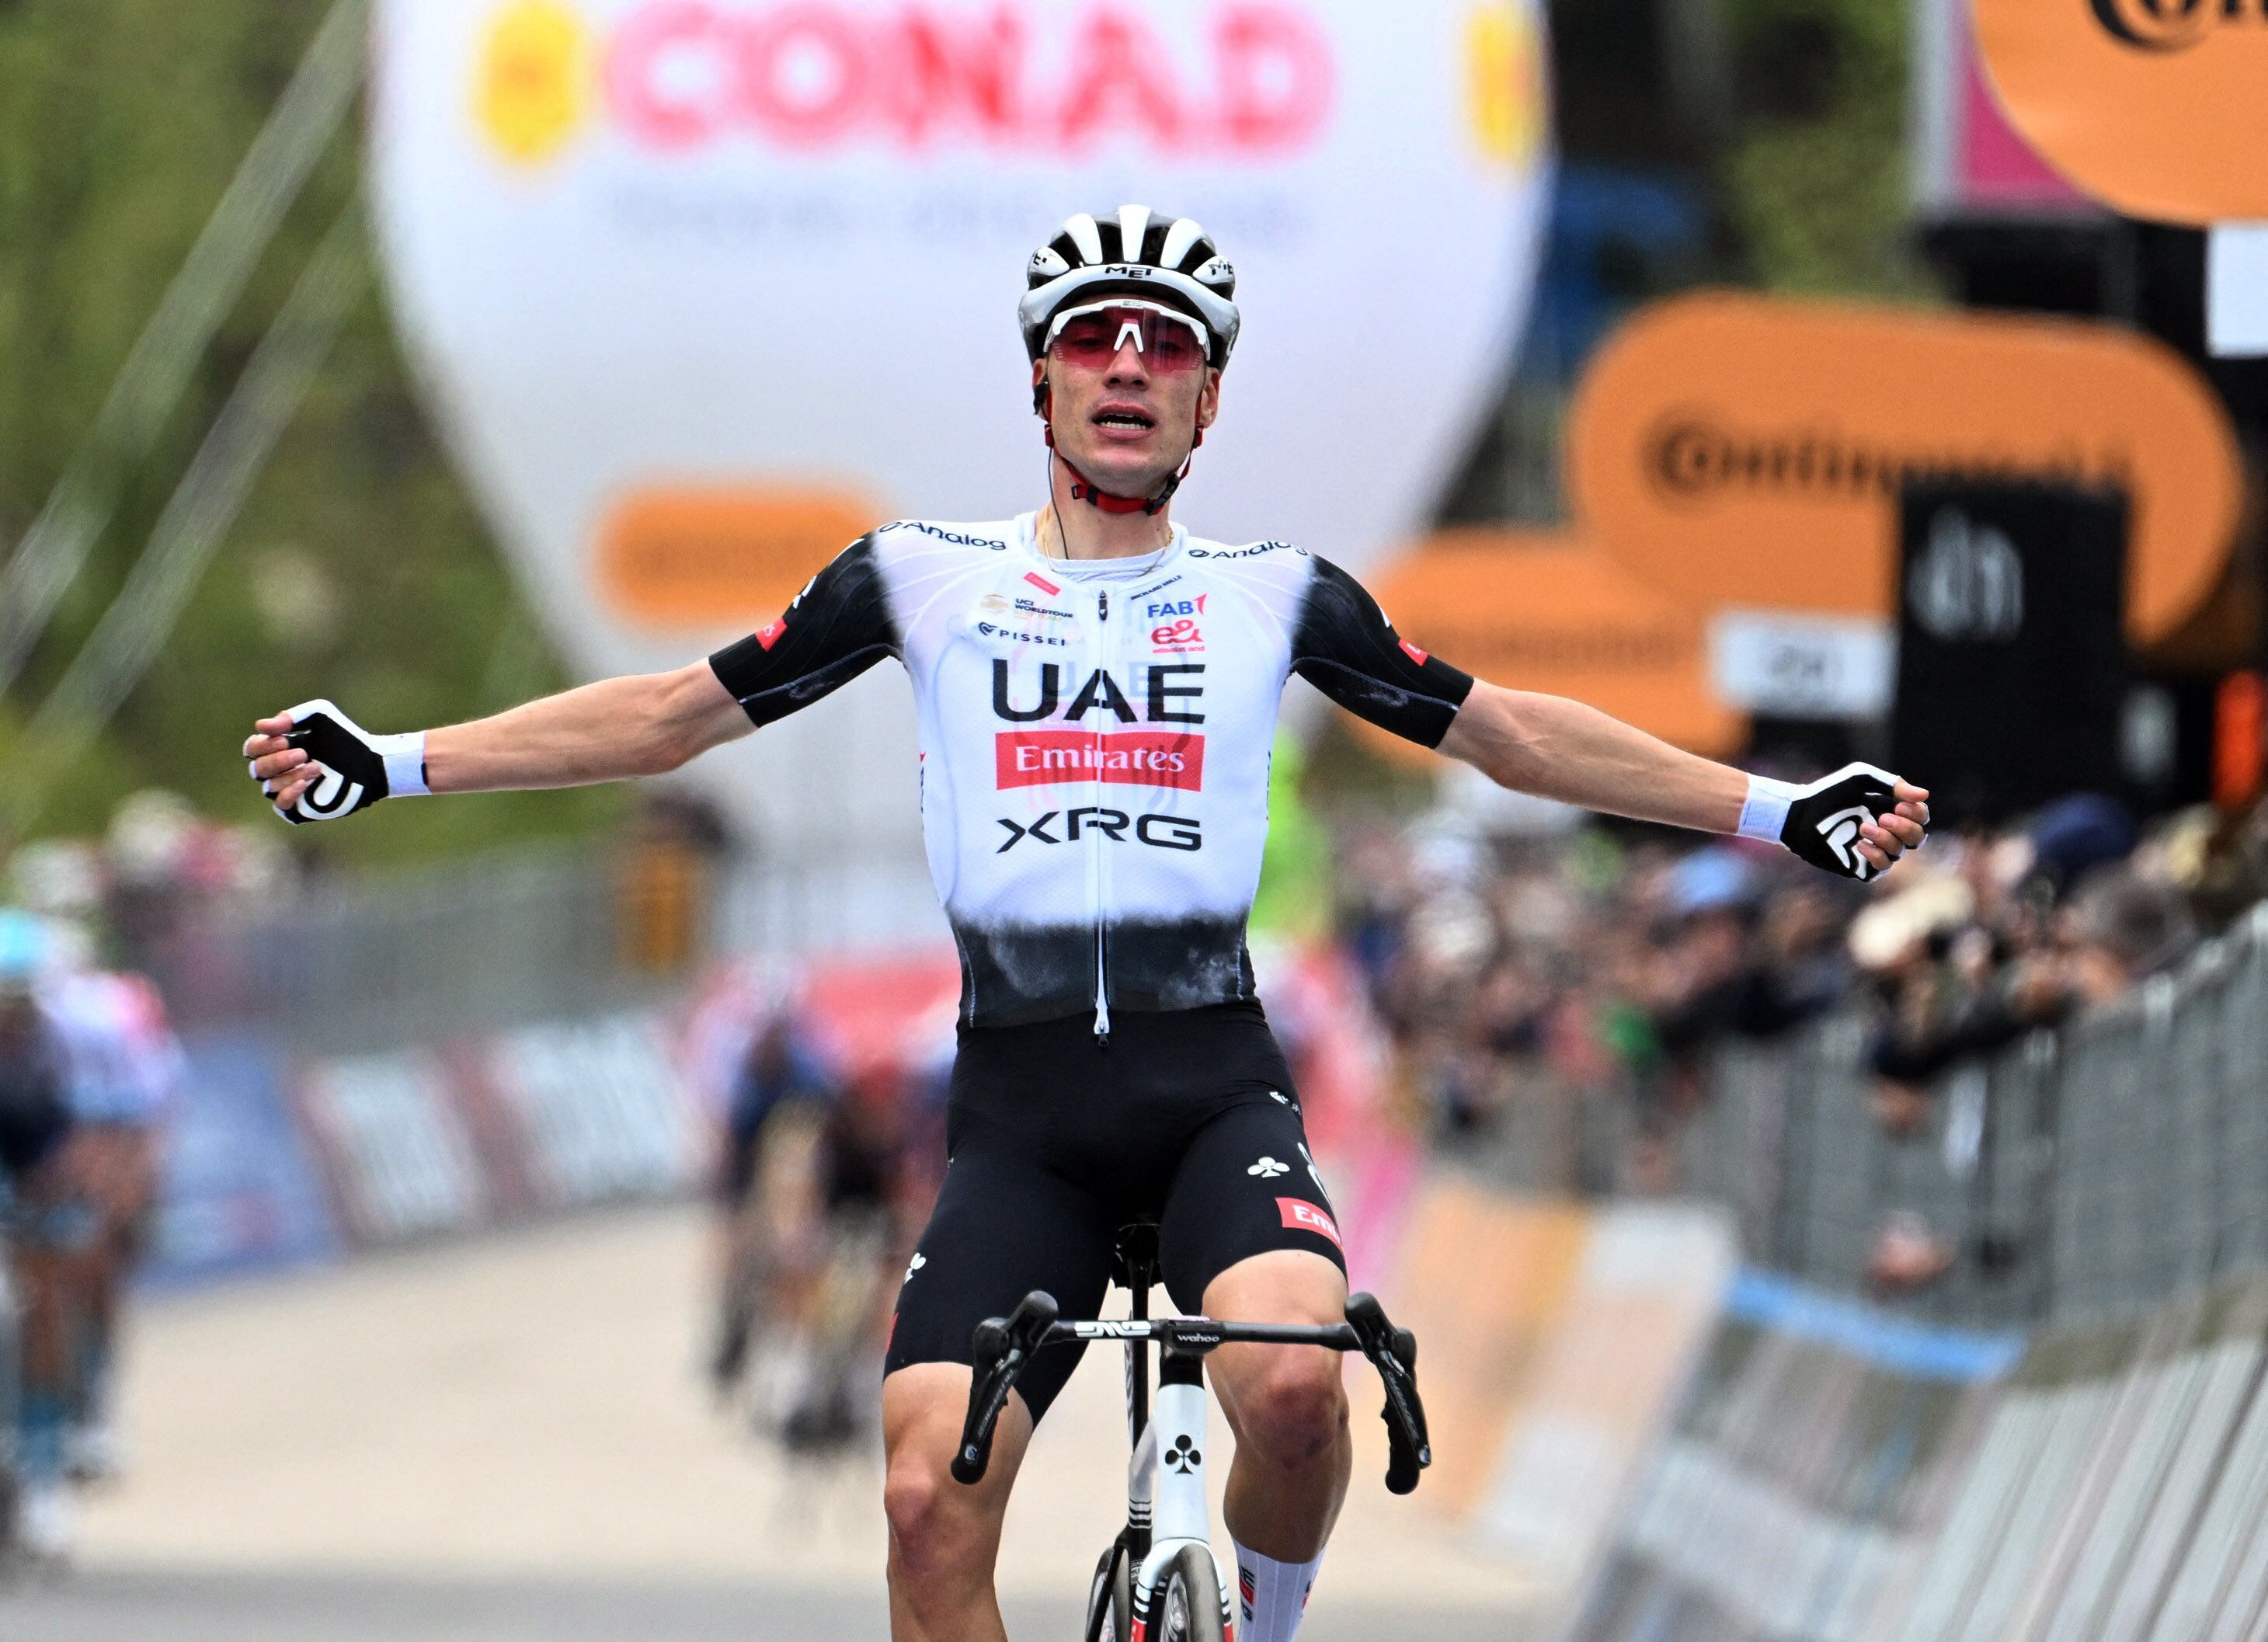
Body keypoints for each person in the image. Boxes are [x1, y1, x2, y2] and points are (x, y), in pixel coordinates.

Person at [242, 205, 1929, 1642]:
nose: (1128, 363)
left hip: (1210, 1091)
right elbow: (670, 717)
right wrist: (393, 761)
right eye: (1093, 340)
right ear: (1040, 379)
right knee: (922, 1503)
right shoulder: (918, 574)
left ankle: (1261, 1620)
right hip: (1022, 1117)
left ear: (1207, 397)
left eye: (1166, 344)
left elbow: (1513, 736)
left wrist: (1779, 809)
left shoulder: (1276, 592)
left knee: (1293, 1384)